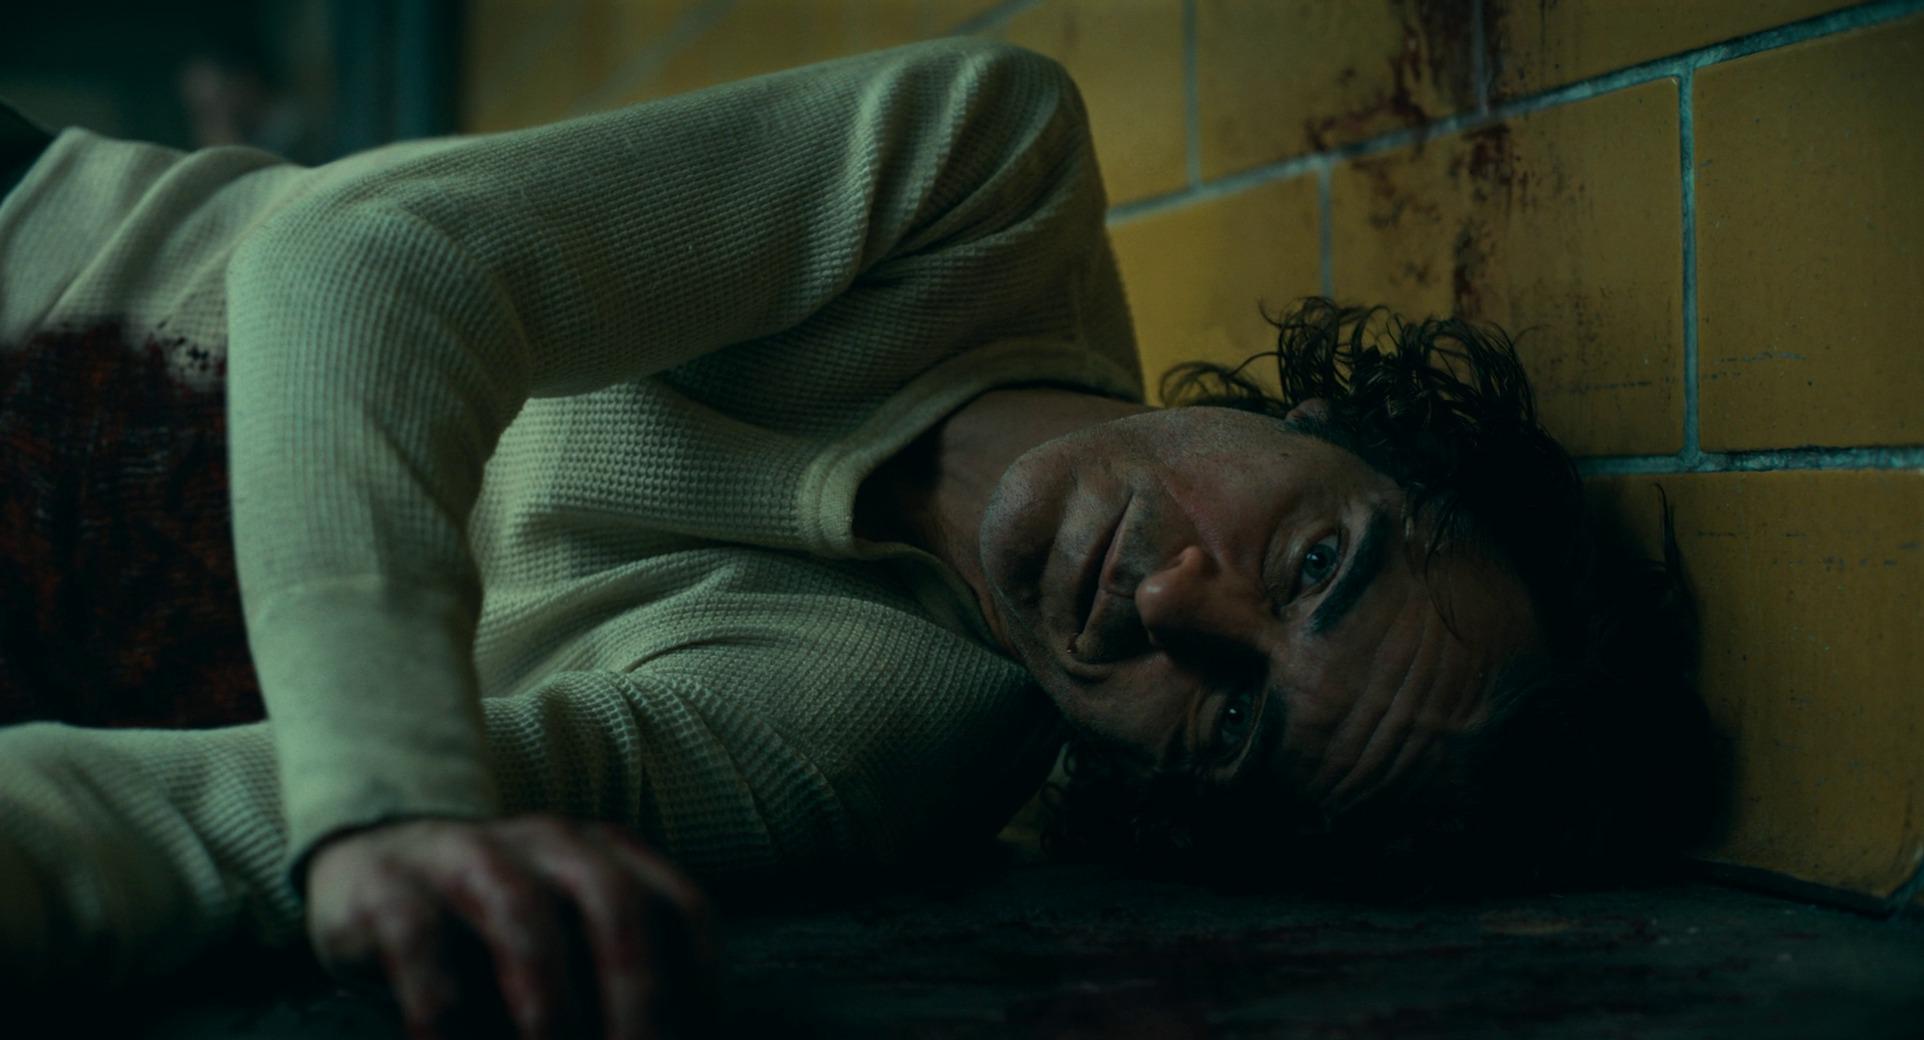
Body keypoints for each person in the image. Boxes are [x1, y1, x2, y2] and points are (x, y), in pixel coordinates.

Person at [0, 35, 1713, 1040]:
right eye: (1315, 565)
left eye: (1234, 722)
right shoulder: (984, 186)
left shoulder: (872, 740)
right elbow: (366, 263)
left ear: (1167, 802)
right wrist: (390, 793)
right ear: (1322, 420)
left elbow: (183, 829)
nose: (1181, 605)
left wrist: (372, 825)